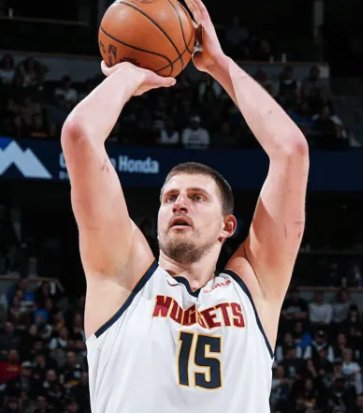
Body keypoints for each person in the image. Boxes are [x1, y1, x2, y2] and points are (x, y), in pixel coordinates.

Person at [61, 0, 309, 411]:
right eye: (169, 197)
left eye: (197, 198)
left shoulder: (255, 289)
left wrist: (219, 64)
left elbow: (292, 152)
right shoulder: (123, 279)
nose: (179, 204)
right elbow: (80, 134)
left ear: (227, 226)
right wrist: (128, 74)